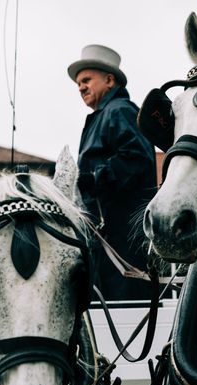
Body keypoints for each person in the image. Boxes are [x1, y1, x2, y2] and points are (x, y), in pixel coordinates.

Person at [68, 44, 157, 301]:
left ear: (109, 80)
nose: (81, 87)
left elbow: (137, 158)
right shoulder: (104, 115)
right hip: (107, 237)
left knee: (123, 305)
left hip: (121, 238)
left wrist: (93, 179)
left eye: (86, 80)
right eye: (78, 84)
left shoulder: (119, 111)